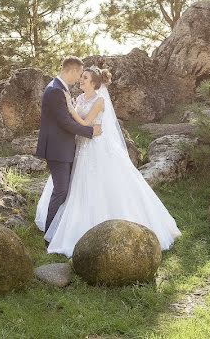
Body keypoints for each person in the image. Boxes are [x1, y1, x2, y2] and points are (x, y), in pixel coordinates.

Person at [35, 65, 181, 257]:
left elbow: (86, 123)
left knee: (101, 184)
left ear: (94, 83)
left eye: (85, 78)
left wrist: (71, 110)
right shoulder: (78, 98)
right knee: (75, 187)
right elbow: (76, 123)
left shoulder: (100, 100)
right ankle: (68, 224)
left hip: (96, 145)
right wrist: (72, 108)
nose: (81, 80)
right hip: (80, 145)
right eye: (82, 77)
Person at [34, 56, 102, 242]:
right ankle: (50, 235)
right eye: (80, 74)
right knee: (61, 191)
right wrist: (90, 131)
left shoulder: (59, 88)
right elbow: (65, 122)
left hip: (63, 147)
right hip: (57, 149)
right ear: (72, 71)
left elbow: (68, 118)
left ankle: (61, 228)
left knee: (65, 190)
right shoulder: (55, 90)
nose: (79, 78)